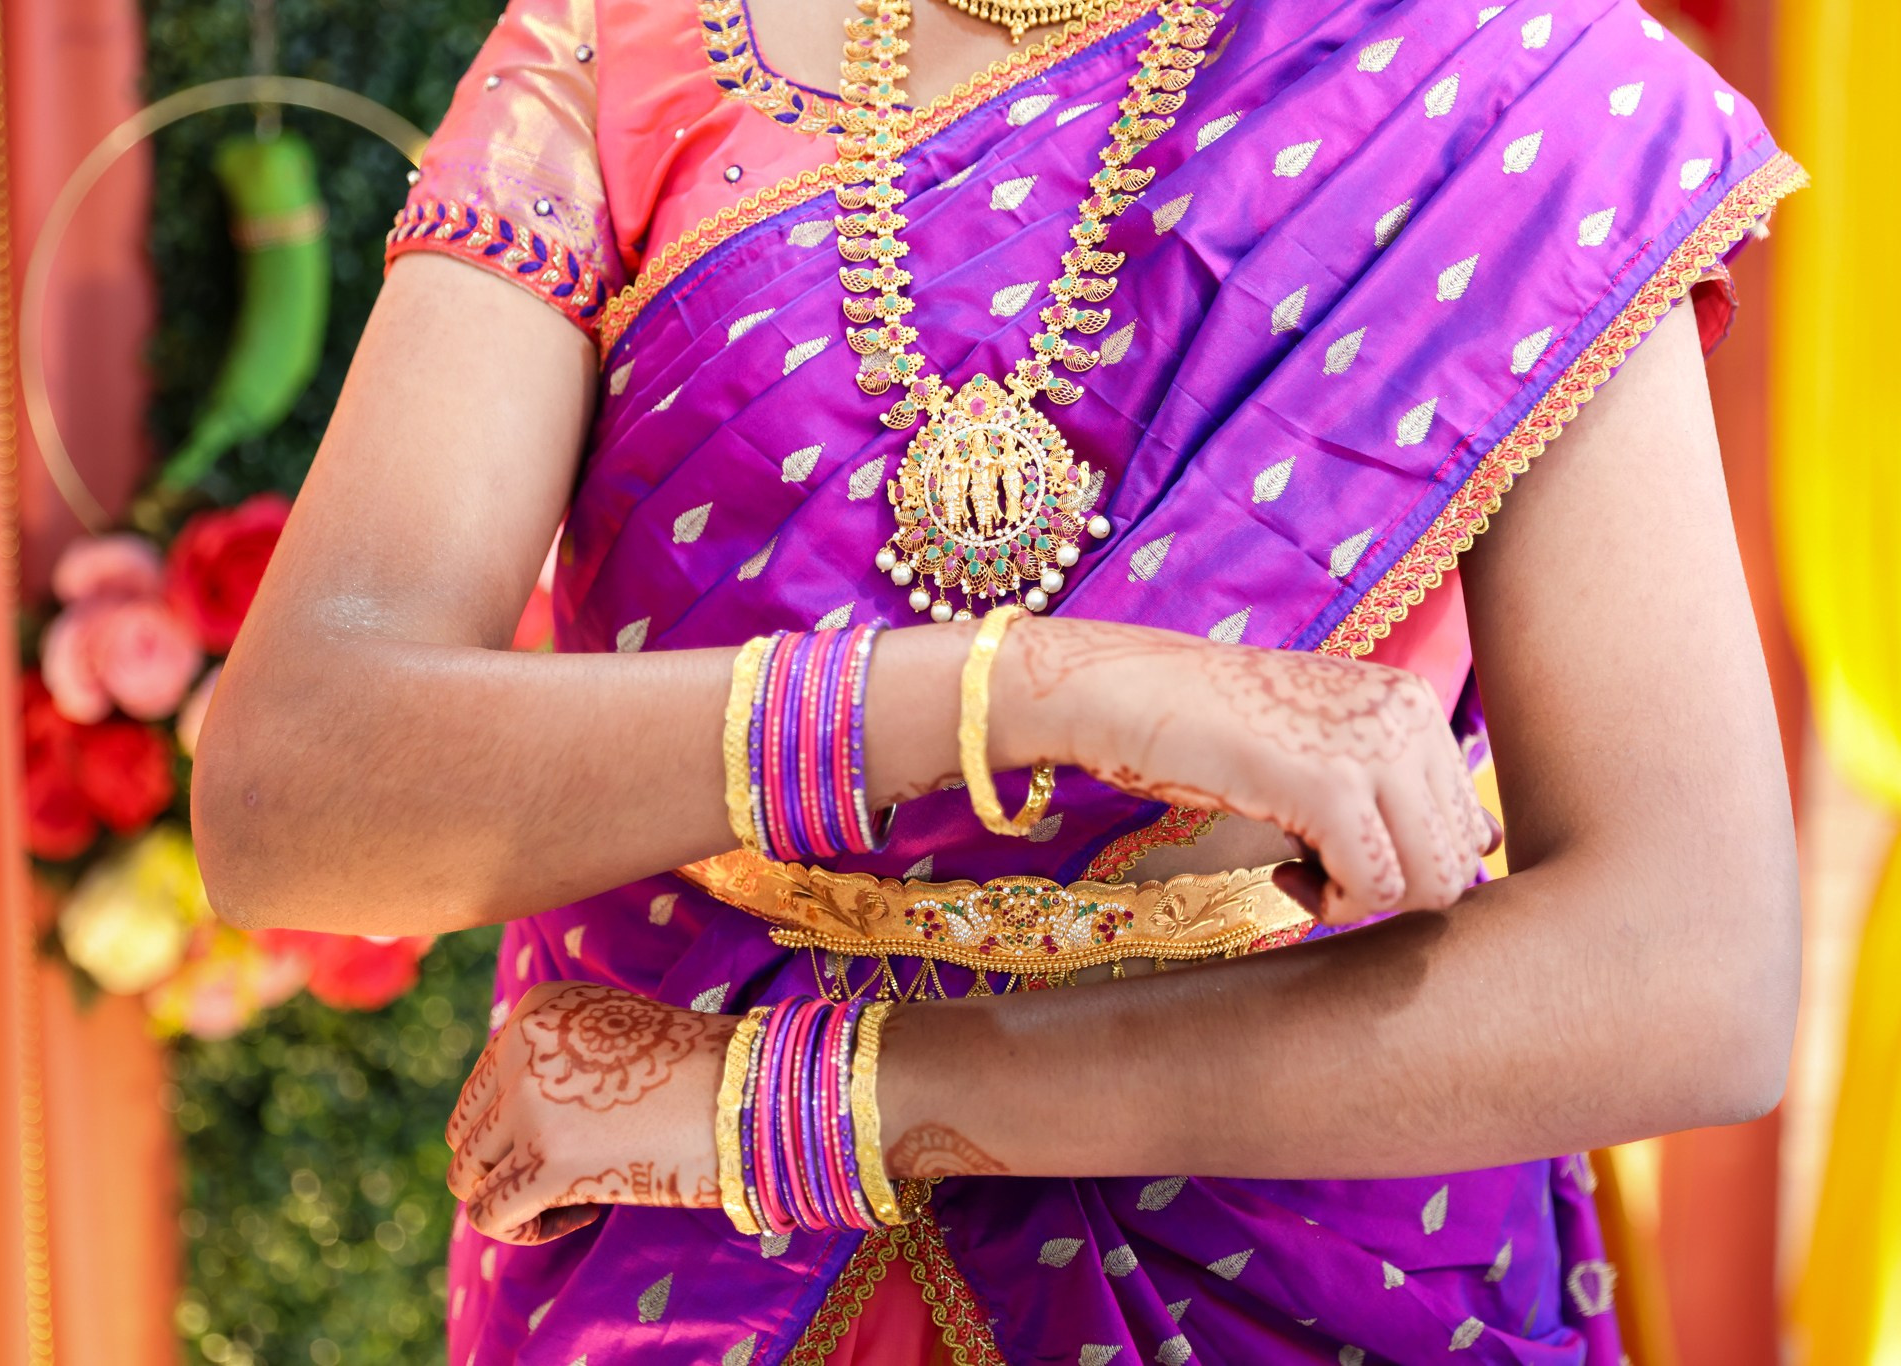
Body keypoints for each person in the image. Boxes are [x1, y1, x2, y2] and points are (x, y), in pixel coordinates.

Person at [190, 0, 1807, 1360]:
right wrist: (1027, 690)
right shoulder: (628, 41)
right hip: (677, 1287)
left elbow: (1689, 969)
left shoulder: (1517, 90)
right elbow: (294, 794)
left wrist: (804, 1102)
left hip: (1292, 1267)